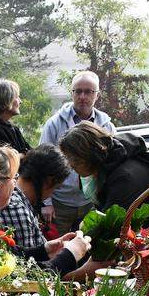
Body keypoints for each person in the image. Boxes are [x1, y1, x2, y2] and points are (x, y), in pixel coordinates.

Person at [0, 143, 90, 275]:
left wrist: (45, 250)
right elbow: (21, 279)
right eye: (13, 178)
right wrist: (70, 255)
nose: (15, 185)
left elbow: (10, 256)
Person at [41, 71, 115, 236]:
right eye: (78, 91)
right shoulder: (54, 124)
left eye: (88, 91)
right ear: (72, 93)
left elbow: (111, 165)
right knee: (57, 251)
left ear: (97, 95)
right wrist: (46, 203)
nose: (82, 96)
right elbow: (43, 163)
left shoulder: (106, 125)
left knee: (86, 248)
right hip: (59, 203)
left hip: (91, 203)